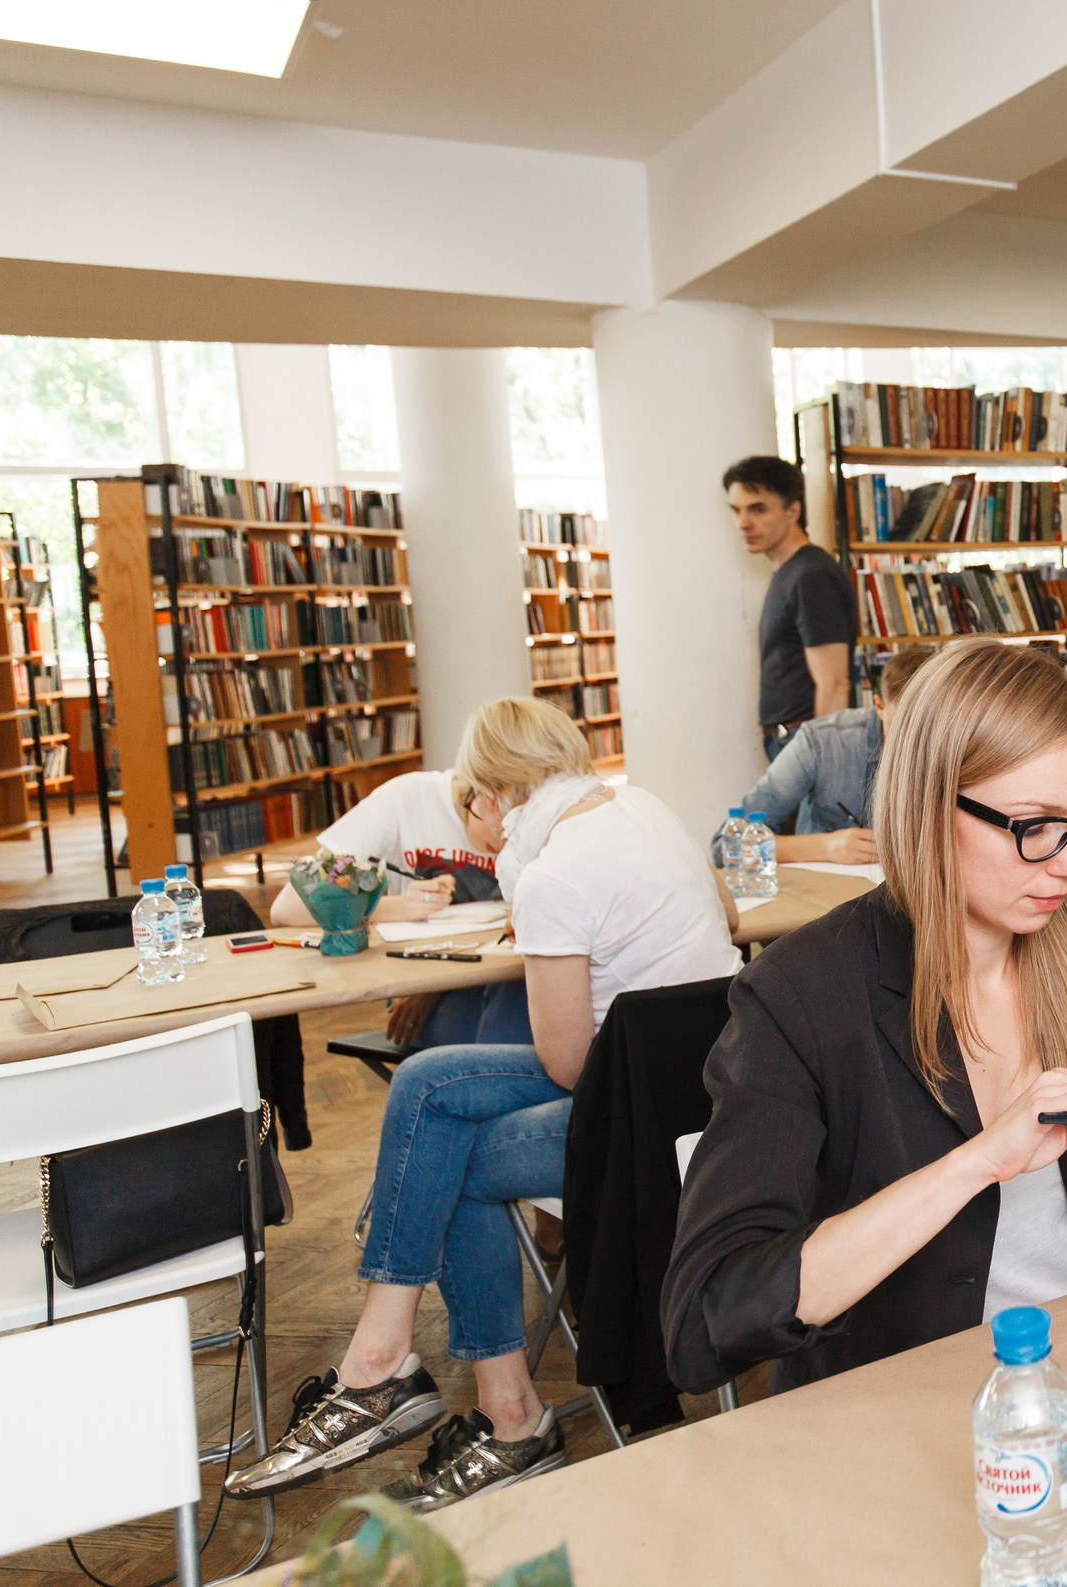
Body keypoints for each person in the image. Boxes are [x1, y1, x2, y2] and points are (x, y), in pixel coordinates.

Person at [662, 641, 1067, 1394]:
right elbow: (706, 1323)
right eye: (1035, 826)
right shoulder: (800, 995)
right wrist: (978, 1161)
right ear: (929, 804)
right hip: (901, 1400)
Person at [229, 698, 741, 1512]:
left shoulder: (552, 874)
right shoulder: (643, 805)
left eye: (471, 801)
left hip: (636, 1128)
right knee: (427, 1080)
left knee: (447, 1138)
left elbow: (571, 1064)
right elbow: (733, 917)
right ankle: (411, 1370)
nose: (474, 823)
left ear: (496, 795)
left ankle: (474, 1407)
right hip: (710, 1097)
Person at [269, 764, 525, 1048]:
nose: (507, 839)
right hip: (426, 972)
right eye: (503, 823)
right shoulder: (404, 799)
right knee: (485, 1043)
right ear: (486, 795)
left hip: (507, 971)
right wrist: (400, 907)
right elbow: (288, 908)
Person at [713, 644, 932, 866]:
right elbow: (726, 846)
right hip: (829, 892)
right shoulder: (821, 742)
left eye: (932, 727)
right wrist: (826, 847)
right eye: (904, 725)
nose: (916, 741)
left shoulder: (963, 743)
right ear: (879, 706)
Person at [726, 453, 858, 760]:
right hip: (789, 738)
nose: (743, 523)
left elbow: (835, 683)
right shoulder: (789, 572)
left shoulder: (812, 575)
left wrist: (820, 764)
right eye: (737, 510)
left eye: (757, 509)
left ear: (792, 510)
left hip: (804, 741)